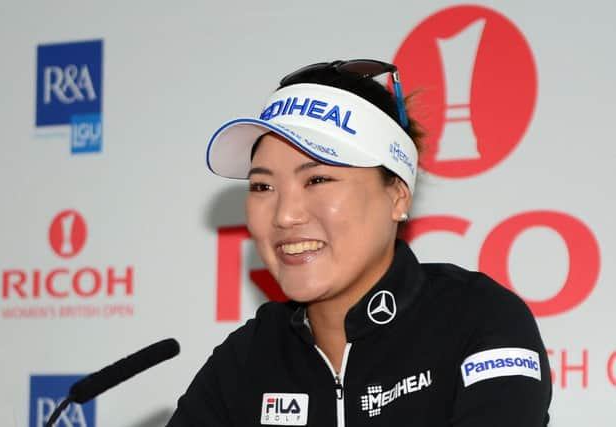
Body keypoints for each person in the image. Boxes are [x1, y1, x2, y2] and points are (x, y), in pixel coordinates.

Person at [166, 59, 552, 426]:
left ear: (398, 194)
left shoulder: (478, 319)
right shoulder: (247, 358)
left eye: (317, 180)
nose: (285, 215)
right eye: (262, 186)